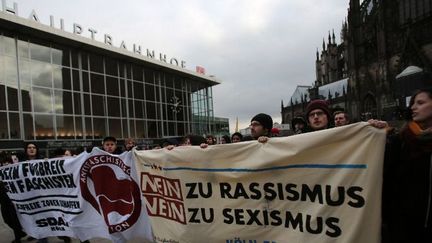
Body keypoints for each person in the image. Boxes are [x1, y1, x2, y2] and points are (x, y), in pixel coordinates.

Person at [375, 87, 432, 243]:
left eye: (420, 103)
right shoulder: (400, 141)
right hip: (403, 225)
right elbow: (386, 178)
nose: (413, 107)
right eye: (413, 103)